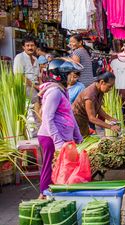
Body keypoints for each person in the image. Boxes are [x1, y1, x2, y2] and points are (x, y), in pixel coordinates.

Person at [37, 58, 83, 199]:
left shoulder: (62, 91)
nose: (72, 77)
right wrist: (57, 142)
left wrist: (78, 135)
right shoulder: (54, 92)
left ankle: (55, 196)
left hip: (62, 137)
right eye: (69, 73)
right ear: (61, 75)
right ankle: (43, 195)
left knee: (60, 168)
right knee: (49, 167)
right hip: (50, 137)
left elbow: (70, 115)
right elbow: (47, 118)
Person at [72, 71, 121, 137]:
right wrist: (110, 127)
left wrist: (110, 118)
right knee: (80, 141)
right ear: (102, 82)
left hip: (83, 120)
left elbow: (97, 107)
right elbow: (91, 118)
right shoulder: (90, 95)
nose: (110, 89)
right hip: (76, 120)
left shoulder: (100, 90)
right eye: (109, 86)